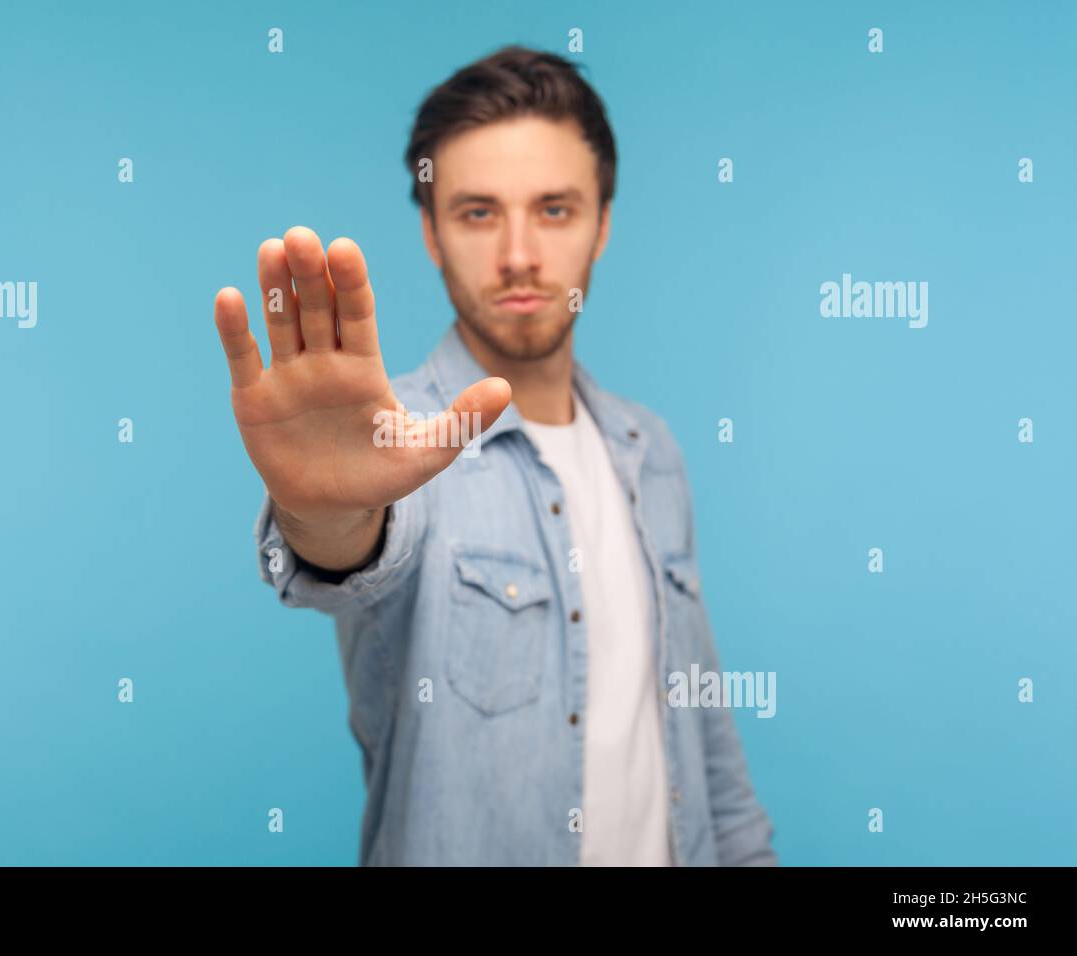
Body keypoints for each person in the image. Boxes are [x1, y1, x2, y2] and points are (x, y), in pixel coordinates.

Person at [212, 45, 776, 866]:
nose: (519, 254)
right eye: (478, 212)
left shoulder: (651, 453)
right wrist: (324, 511)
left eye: (554, 209)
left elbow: (711, 758)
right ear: (433, 234)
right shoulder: (396, 444)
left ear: (602, 224)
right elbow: (360, 542)